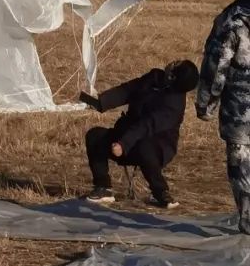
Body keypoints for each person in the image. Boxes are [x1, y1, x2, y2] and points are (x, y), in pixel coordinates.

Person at [79, 60, 199, 209]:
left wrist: (123, 144)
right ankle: (103, 188)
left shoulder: (174, 105)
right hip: (126, 137)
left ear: (173, 77)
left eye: (176, 66)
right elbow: (128, 90)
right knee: (95, 136)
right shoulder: (154, 77)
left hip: (157, 146)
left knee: (145, 147)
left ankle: (161, 192)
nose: (172, 63)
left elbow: (146, 126)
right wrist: (100, 102)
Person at [196, 0, 250, 234]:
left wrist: (206, 103)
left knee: (241, 162)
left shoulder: (231, 21)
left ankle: (249, 217)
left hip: (240, 109)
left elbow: (217, 67)